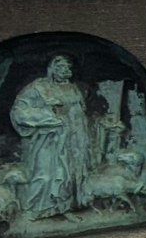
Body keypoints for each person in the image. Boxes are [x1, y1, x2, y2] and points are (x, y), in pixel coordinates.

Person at [10, 54, 94, 222]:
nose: (66, 70)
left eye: (68, 68)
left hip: (74, 139)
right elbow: (19, 110)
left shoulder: (73, 88)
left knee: (71, 173)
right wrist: (48, 119)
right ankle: (36, 209)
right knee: (46, 173)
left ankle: (66, 206)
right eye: (61, 67)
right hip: (50, 138)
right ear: (52, 68)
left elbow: (79, 113)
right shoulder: (38, 87)